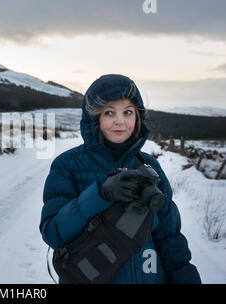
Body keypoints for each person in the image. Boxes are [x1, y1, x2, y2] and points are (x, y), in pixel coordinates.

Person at [39, 74, 201, 284]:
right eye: (109, 112)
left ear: (137, 116)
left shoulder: (151, 167)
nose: (120, 121)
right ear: (94, 117)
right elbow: (54, 233)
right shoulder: (68, 166)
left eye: (127, 112)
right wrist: (99, 194)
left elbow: (170, 240)